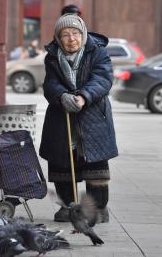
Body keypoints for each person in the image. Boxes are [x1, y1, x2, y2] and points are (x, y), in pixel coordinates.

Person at [39, 14, 118, 222]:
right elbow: (49, 84)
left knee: (95, 168)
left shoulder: (98, 52)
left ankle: (98, 209)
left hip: (93, 118)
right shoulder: (52, 56)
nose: (71, 38)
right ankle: (68, 207)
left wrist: (83, 96)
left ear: (82, 34)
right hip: (61, 117)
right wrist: (61, 96)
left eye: (75, 33)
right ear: (58, 38)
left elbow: (103, 79)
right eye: (65, 35)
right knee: (63, 164)